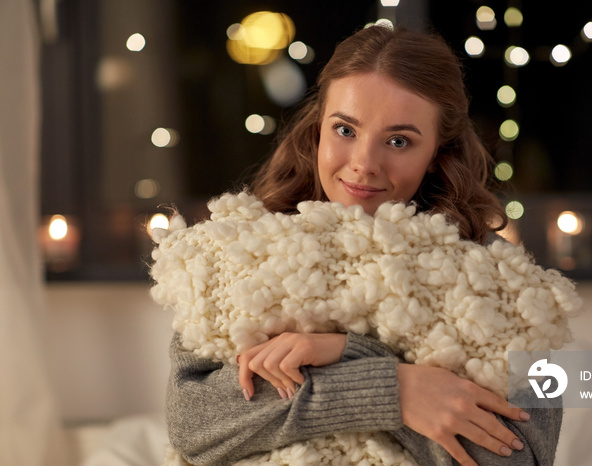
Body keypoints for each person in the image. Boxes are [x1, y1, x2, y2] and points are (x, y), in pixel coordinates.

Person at [165, 25, 562, 466]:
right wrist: (393, 387)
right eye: (345, 130)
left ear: (438, 154)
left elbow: (523, 459)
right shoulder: (239, 254)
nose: (363, 165)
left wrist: (341, 351)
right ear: (318, 129)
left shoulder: (503, 287)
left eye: (398, 141)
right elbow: (194, 425)